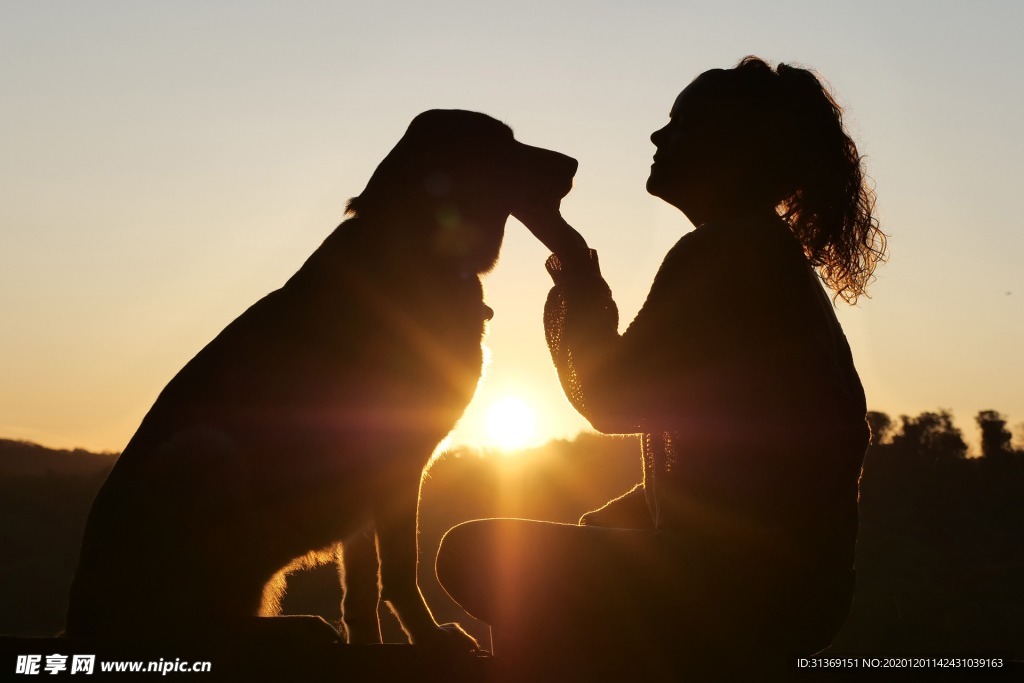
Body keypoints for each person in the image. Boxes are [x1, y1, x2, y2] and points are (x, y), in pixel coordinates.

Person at [436, 56, 886, 678]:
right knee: (545, 562)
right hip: (795, 594)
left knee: (472, 552)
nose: (658, 136)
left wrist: (565, 249)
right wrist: (606, 526)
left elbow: (609, 397)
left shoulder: (725, 251)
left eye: (680, 123)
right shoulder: (761, 253)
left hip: (737, 594)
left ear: (730, 149)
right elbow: (737, 470)